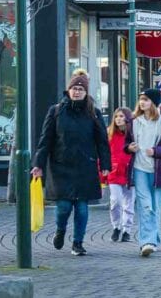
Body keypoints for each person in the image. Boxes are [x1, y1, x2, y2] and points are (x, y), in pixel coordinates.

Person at [31, 71, 111, 256]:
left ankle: (78, 243)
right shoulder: (56, 111)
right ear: (68, 90)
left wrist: (105, 164)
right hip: (61, 166)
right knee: (64, 207)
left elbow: (102, 141)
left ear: (86, 92)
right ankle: (60, 231)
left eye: (80, 89)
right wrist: (38, 164)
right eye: (74, 88)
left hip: (85, 166)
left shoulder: (94, 113)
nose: (77, 92)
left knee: (82, 208)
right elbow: (46, 140)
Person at [126, 88, 161, 256]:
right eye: (141, 99)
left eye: (146, 100)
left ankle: (153, 240)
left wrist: (155, 151)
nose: (142, 102)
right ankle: (147, 241)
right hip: (139, 168)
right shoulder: (133, 121)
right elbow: (126, 143)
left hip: (158, 170)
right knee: (145, 204)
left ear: (154, 103)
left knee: (155, 205)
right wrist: (129, 147)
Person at [105, 108, 135, 243]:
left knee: (128, 203)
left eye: (121, 116)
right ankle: (116, 226)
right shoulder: (109, 134)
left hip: (129, 172)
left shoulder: (134, 134)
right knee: (115, 201)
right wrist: (103, 170)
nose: (118, 119)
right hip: (114, 172)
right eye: (116, 116)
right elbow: (104, 152)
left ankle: (127, 230)